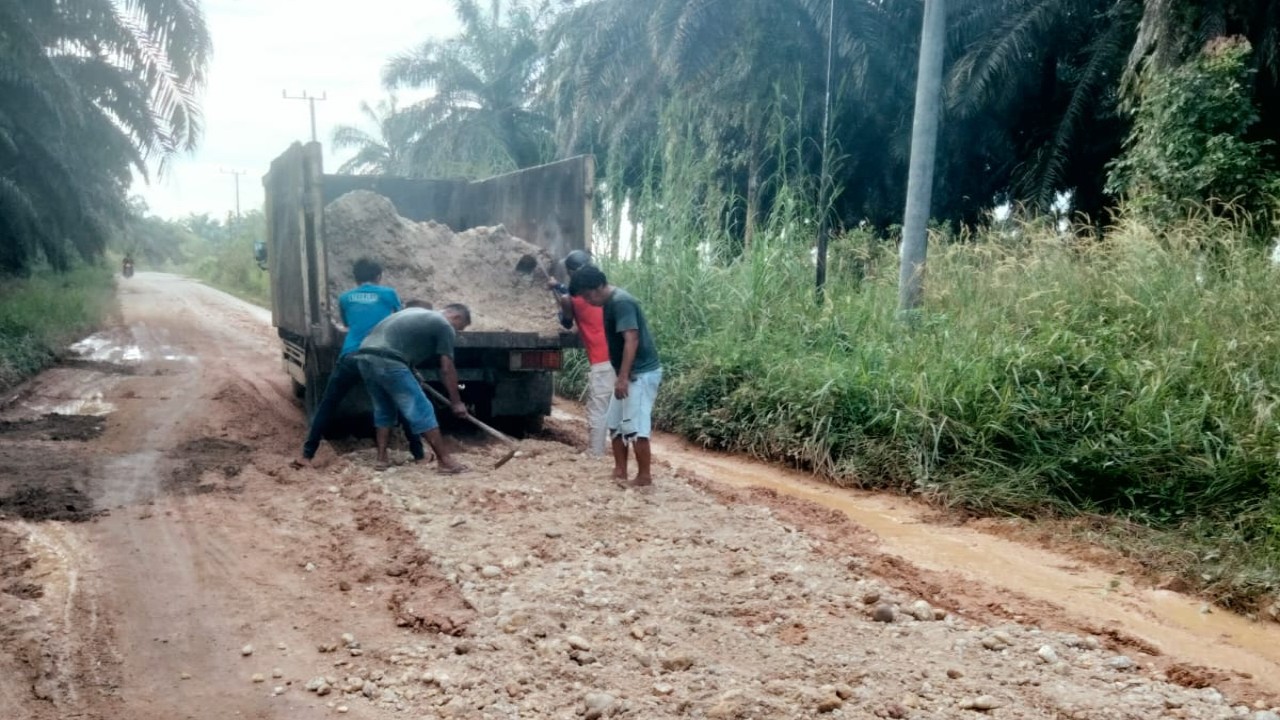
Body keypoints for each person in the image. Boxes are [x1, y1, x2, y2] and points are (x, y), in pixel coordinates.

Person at [293, 258, 426, 468]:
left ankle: (307, 455)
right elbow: (398, 321)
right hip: (380, 355)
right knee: (402, 401)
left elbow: (347, 324)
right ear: (378, 277)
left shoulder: (346, 297)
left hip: (351, 355)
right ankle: (419, 455)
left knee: (327, 405)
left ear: (356, 279)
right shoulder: (389, 294)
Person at [569, 267, 662, 487]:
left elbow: (632, 338)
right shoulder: (608, 303)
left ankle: (644, 476)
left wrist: (622, 378)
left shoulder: (621, 302)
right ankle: (620, 470)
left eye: (587, 295)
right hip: (627, 372)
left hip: (640, 373)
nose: (587, 301)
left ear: (599, 286)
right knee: (615, 424)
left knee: (636, 427)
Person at [353, 304, 473, 473]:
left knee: (384, 408)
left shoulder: (415, 312)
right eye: (460, 328)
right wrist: (456, 402)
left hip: (365, 357)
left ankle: (381, 459)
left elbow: (400, 341)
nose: (457, 332)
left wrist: (412, 371)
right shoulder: (444, 325)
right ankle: (445, 461)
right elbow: (446, 368)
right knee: (421, 408)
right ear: (456, 317)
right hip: (388, 360)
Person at [548, 249, 615, 455]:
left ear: (570, 271)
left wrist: (557, 292)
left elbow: (567, 323)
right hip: (618, 358)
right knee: (618, 409)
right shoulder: (604, 293)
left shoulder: (572, 298)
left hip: (601, 360)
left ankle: (595, 453)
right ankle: (621, 454)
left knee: (598, 409)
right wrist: (559, 288)